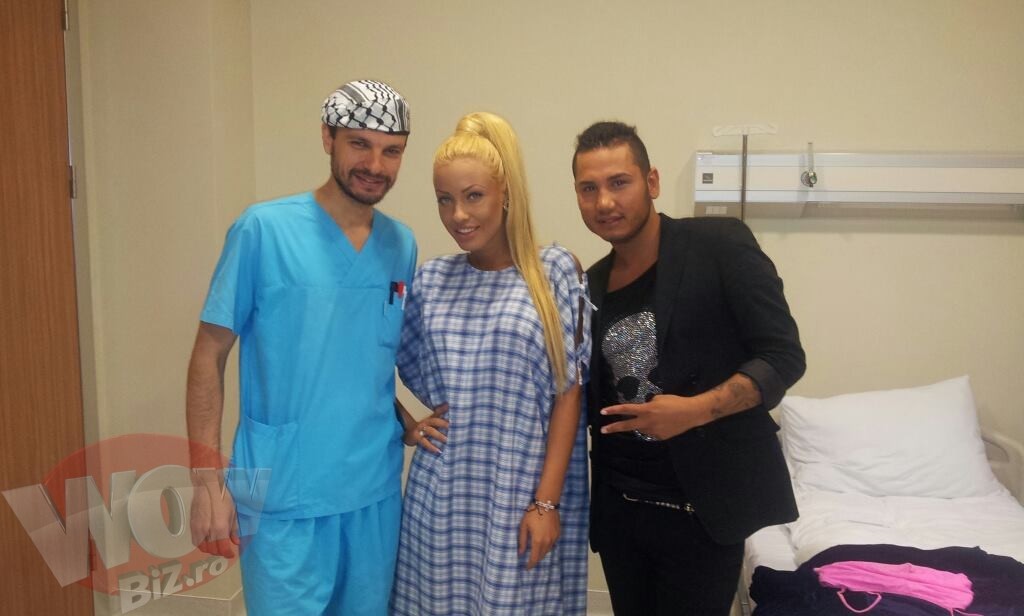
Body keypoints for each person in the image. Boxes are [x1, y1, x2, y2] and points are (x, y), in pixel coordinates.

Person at [185, 79, 417, 615]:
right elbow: (207, 355)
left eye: (392, 151)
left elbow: (361, 359)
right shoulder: (262, 230)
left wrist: (405, 419)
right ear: (327, 138)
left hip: (373, 493)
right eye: (359, 144)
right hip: (281, 492)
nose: (375, 165)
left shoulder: (400, 244)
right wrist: (206, 483)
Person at [571, 121, 806, 615]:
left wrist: (695, 410)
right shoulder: (589, 287)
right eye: (588, 188)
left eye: (619, 182)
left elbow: (783, 355)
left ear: (652, 182)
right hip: (623, 517)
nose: (604, 202)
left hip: (703, 512)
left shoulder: (719, 245)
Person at [390, 111, 591, 615]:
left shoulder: (554, 272)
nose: (458, 214)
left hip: (524, 491)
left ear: (506, 193)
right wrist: (407, 424)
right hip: (442, 497)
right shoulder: (431, 281)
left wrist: (546, 503)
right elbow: (362, 357)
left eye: (473, 195)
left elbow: (569, 394)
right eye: (444, 199)